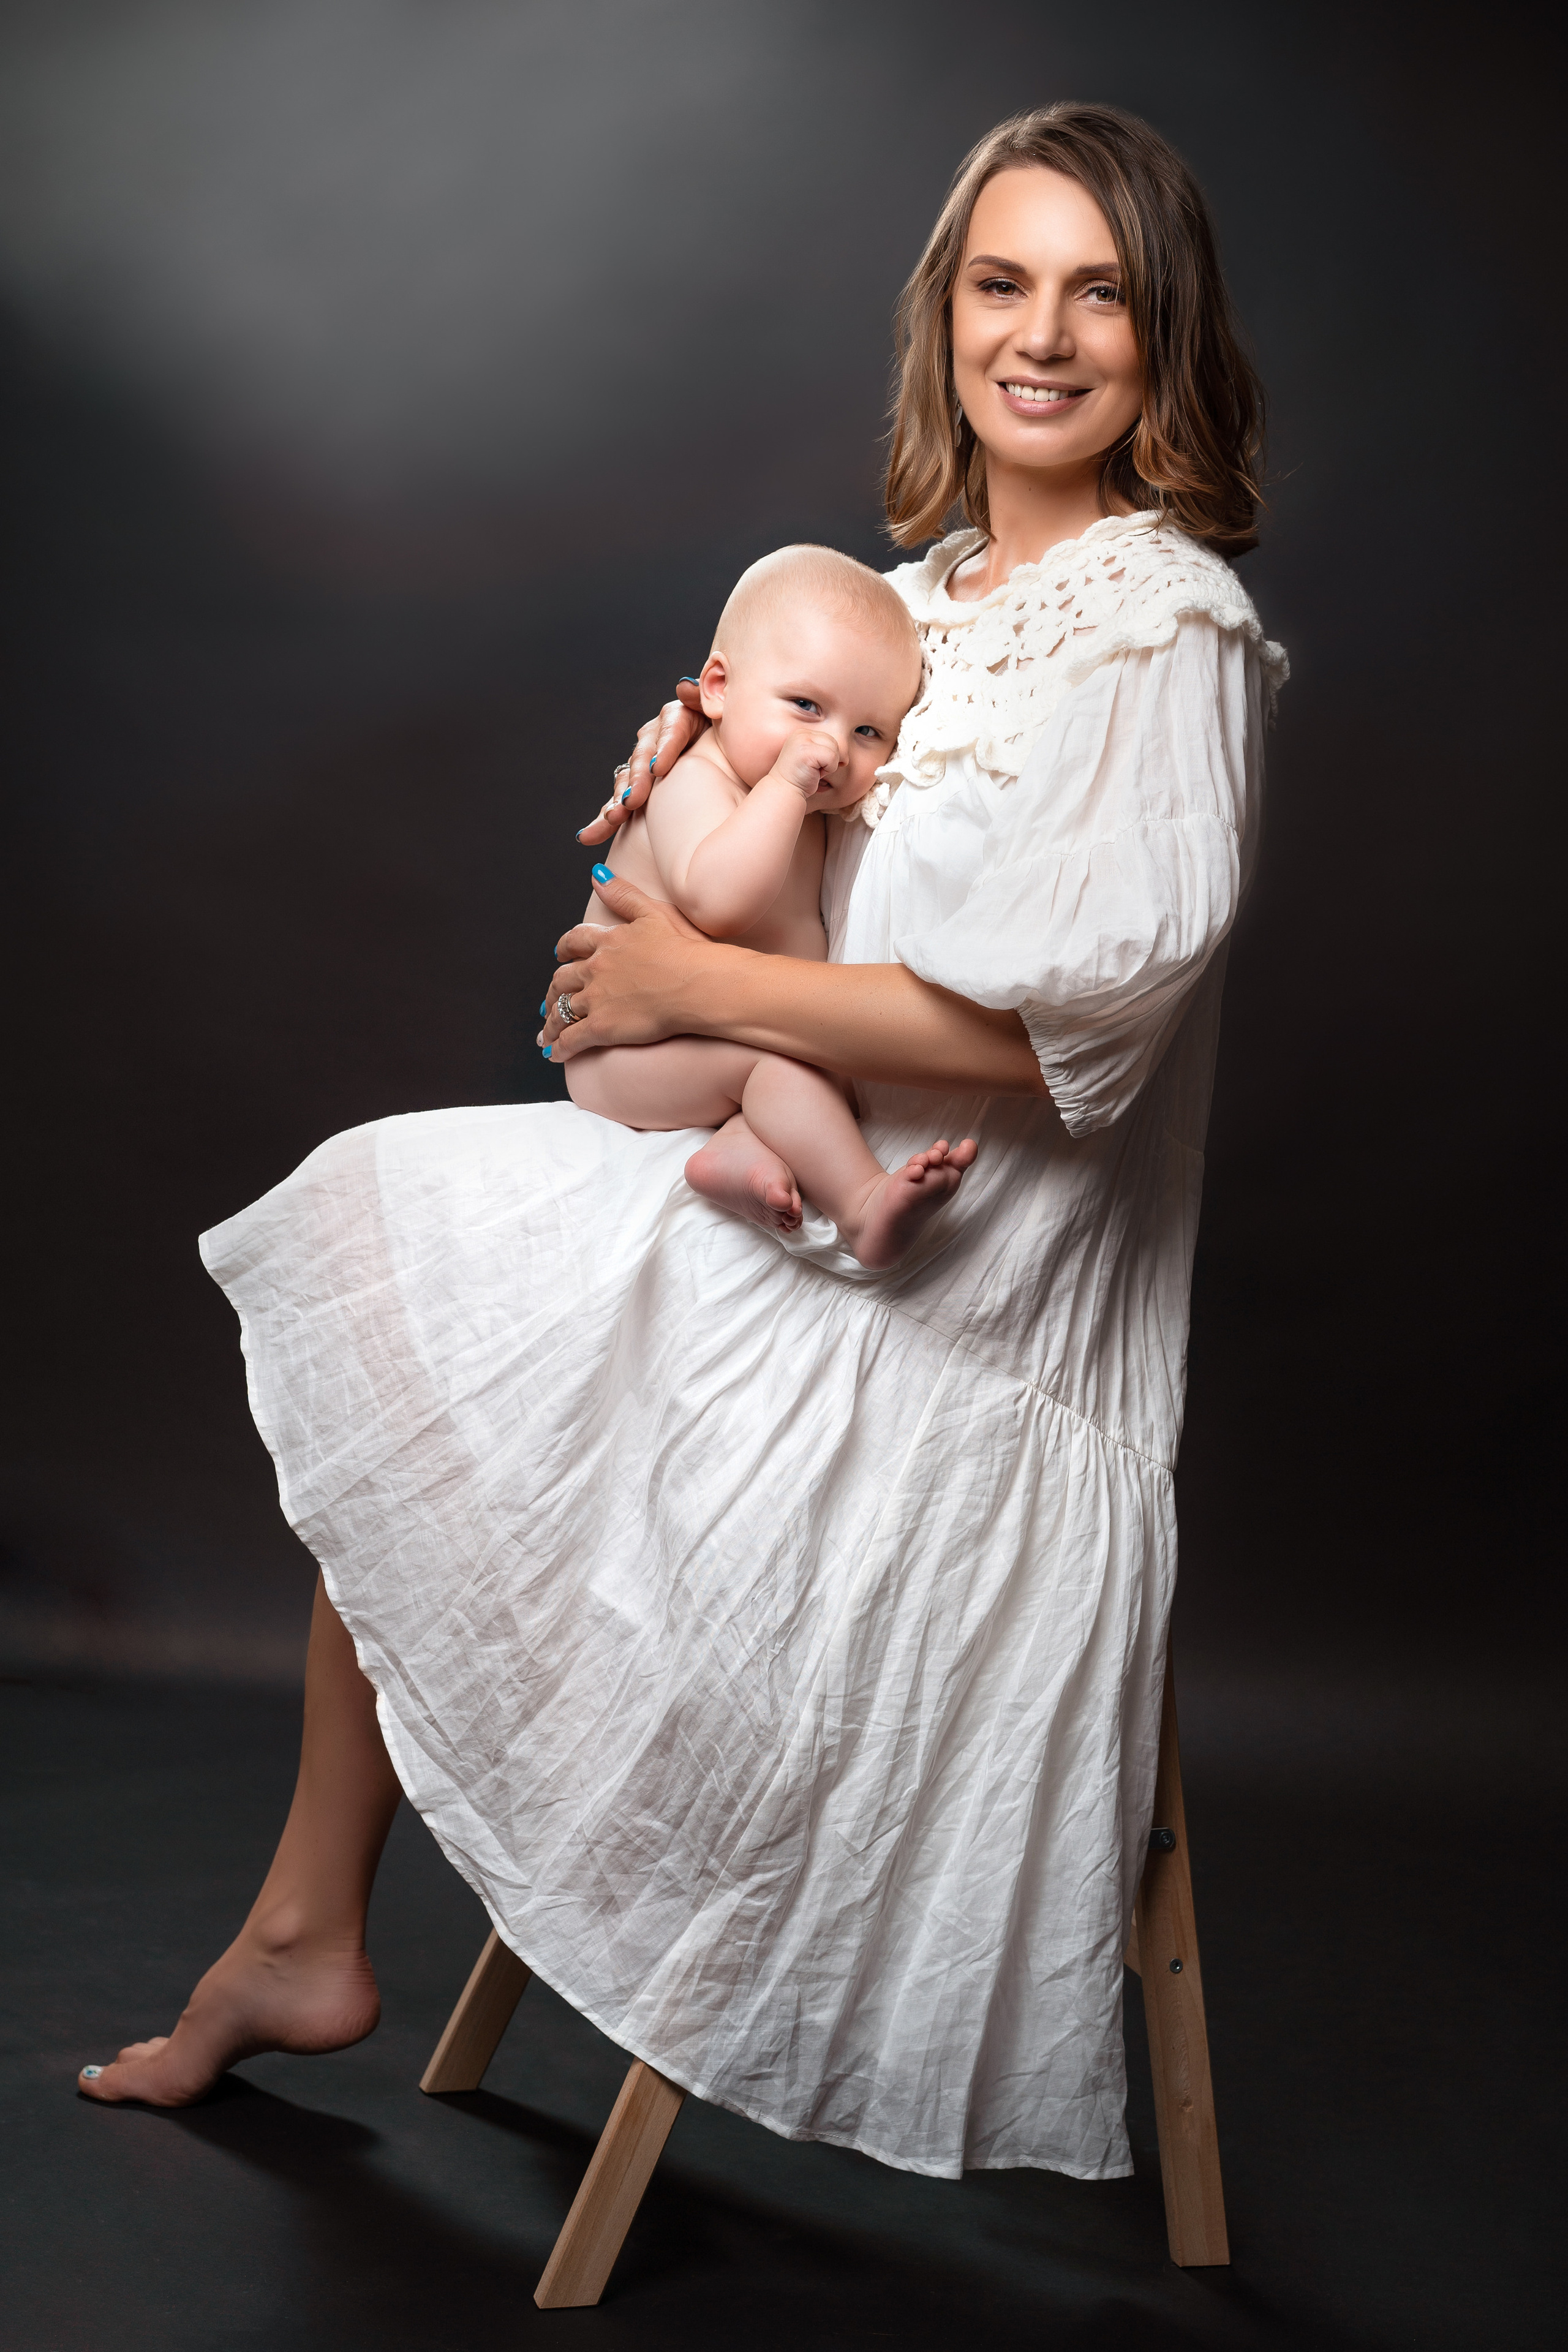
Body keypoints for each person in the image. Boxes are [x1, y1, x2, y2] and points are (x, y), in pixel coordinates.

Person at [79, 103, 1286, 2193]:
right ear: (946, 315)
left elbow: (1069, 1025)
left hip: (955, 1302)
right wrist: (678, 818)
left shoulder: (1162, 630)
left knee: (470, 1300)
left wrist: (703, 988)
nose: (1043, 335)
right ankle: (304, 1928)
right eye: (1002, 282)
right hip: (793, 1193)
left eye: (1100, 293)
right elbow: (772, 875)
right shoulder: (898, 607)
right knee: (416, 1266)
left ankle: (314, 1926)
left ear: (1163, 334)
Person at [562, 541, 978, 1267]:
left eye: (868, 732)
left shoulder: (805, 801)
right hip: (626, 1052)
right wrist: (786, 787)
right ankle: (862, 1205)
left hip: (716, 1033)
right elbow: (719, 906)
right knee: (777, 1065)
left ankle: (735, 1154)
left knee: (810, 1060)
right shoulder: (697, 782)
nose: (833, 747)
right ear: (718, 688)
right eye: (806, 706)